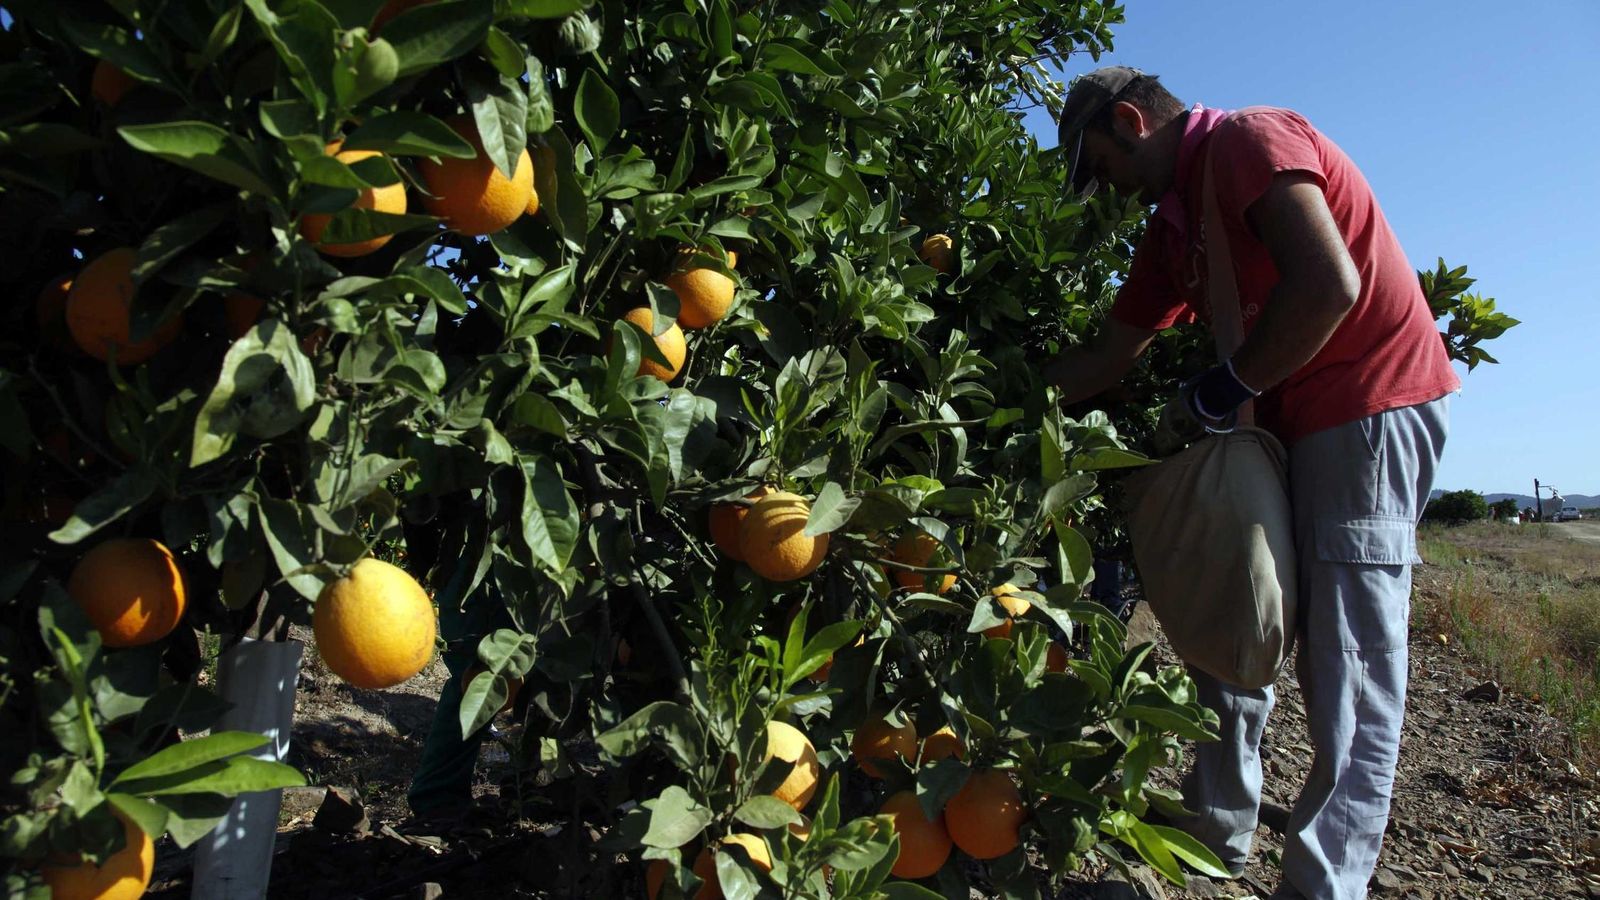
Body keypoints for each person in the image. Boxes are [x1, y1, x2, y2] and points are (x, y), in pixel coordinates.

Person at [1045, 67, 1457, 899]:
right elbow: (1107, 355)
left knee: (1348, 661)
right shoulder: (1174, 227)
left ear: (1130, 120)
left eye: (1105, 165)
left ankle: (1321, 885)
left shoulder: (1248, 140)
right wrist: (999, 403)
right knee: (1233, 612)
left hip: (1367, 404)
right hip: (1278, 423)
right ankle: (1214, 833)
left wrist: (1222, 387)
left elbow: (1329, 285)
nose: (1111, 190)